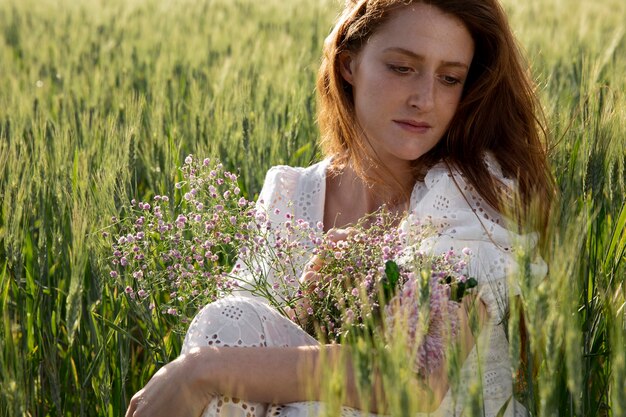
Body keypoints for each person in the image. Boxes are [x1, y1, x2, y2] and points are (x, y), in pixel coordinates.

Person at [125, 0, 553, 416]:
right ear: (349, 64)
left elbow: (416, 382)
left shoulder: (471, 195)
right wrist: (309, 306)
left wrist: (200, 370)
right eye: (402, 68)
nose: (425, 98)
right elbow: (244, 347)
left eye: (449, 78)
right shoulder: (290, 195)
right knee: (230, 321)